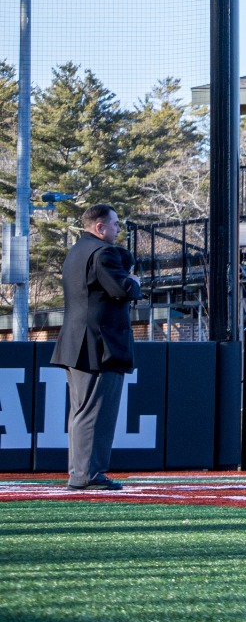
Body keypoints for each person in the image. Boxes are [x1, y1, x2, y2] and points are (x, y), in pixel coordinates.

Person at [53, 204, 142, 492]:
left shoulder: (77, 250)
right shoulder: (103, 252)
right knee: (96, 412)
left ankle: (80, 472)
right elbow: (121, 289)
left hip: (77, 342)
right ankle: (88, 474)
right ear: (100, 227)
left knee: (81, 412)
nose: (118, 229)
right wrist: (134, 282)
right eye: (115, 224)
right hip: (98, 344)